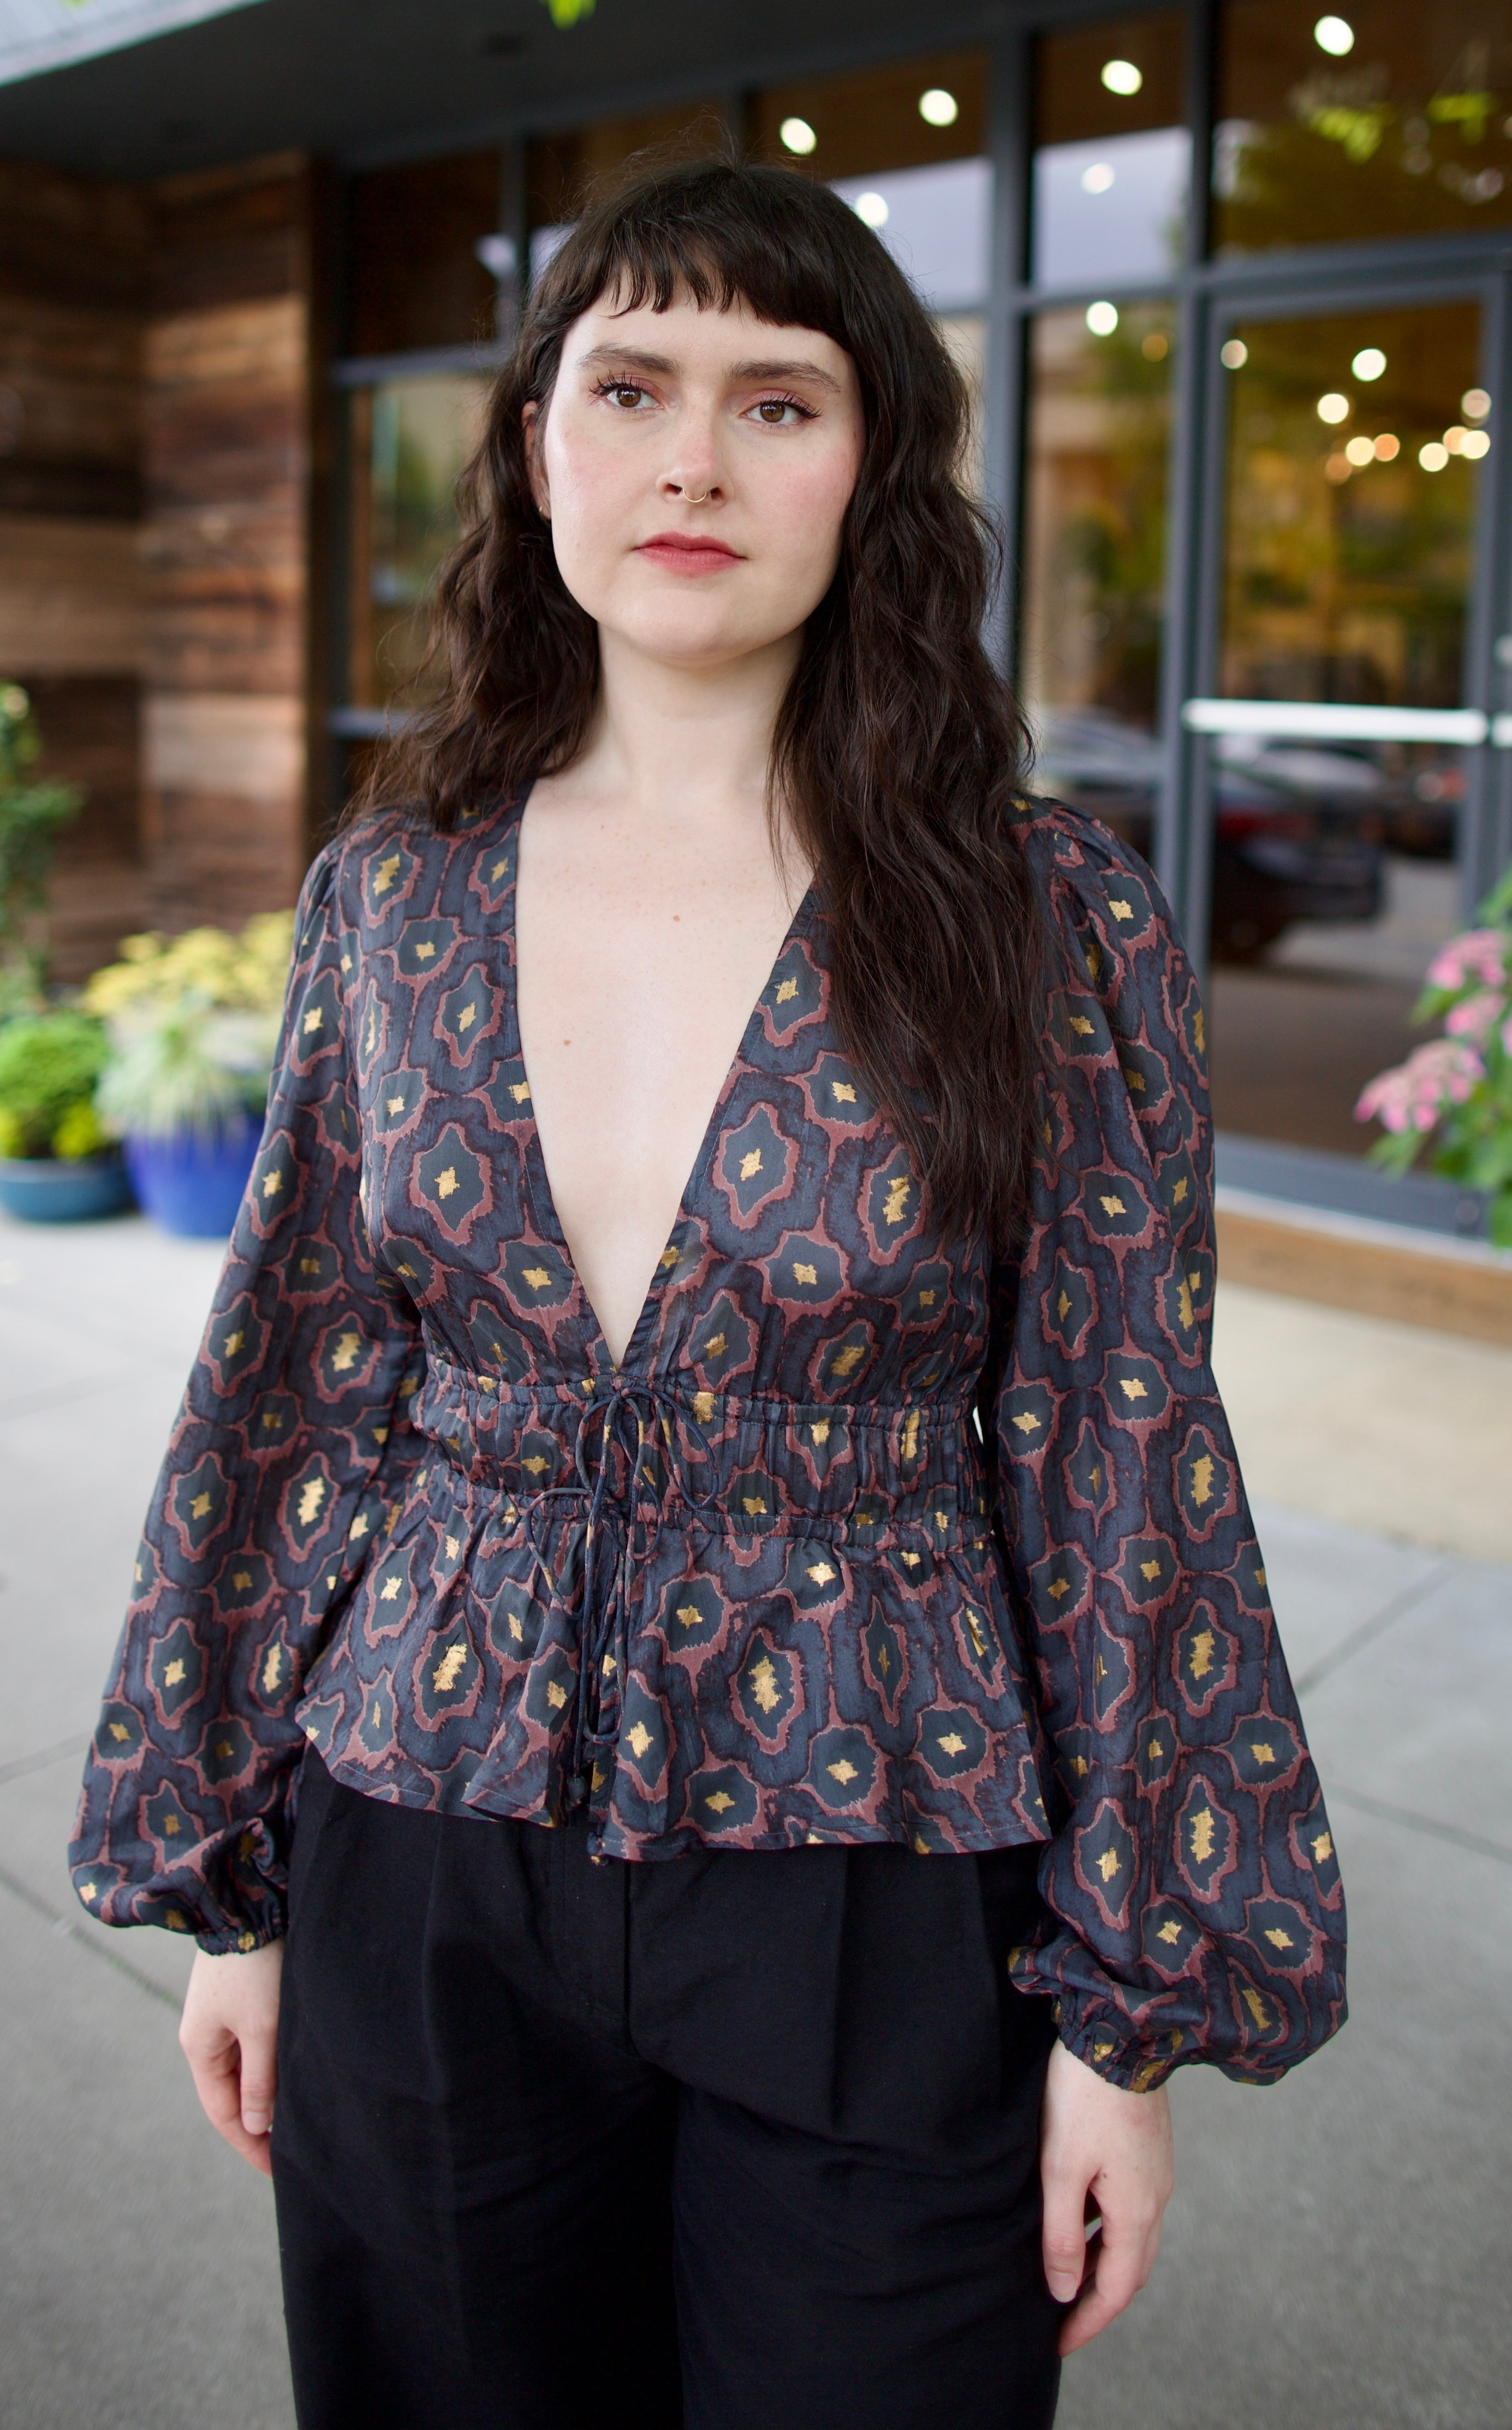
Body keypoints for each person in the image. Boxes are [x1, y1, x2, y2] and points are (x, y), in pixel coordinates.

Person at [70, 156, 1346, 2430]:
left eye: (778, 400)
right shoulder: (395, 896)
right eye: (631, 386)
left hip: (877, 1857)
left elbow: (1123, 1452)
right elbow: (284, 1383)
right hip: (425, 1836)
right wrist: (236, 1891)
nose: (691, 456)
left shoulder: (1042, 914)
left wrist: (1117, 2028)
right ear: (535, 449)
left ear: (873, 471)